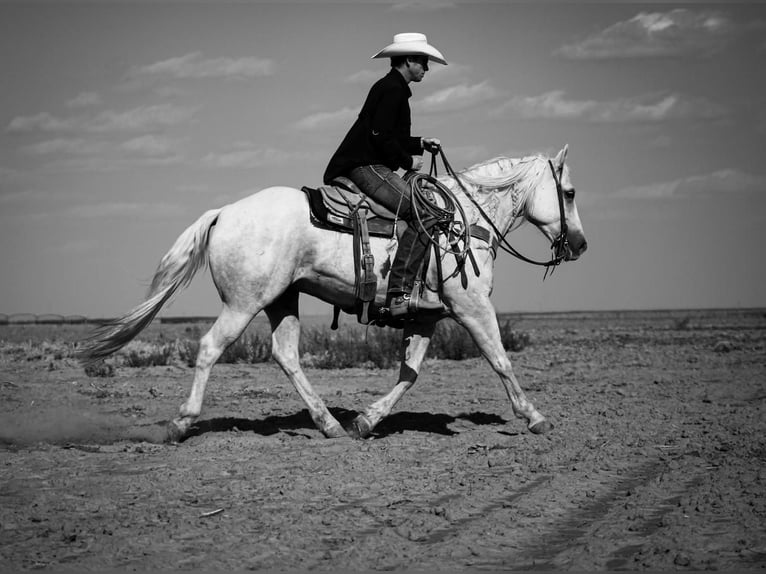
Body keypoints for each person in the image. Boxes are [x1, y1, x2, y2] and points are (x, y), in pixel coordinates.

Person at [323, 33, 447, 318]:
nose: (426, 69)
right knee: (426, 214)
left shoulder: (392, 87)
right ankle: (399, 295)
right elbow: (380, 136)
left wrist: (419, 143)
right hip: (366, 166)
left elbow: (389, 135)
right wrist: (407, 160)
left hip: (368, 163)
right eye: (423, 63)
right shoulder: (392, 90)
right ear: (409, 60)